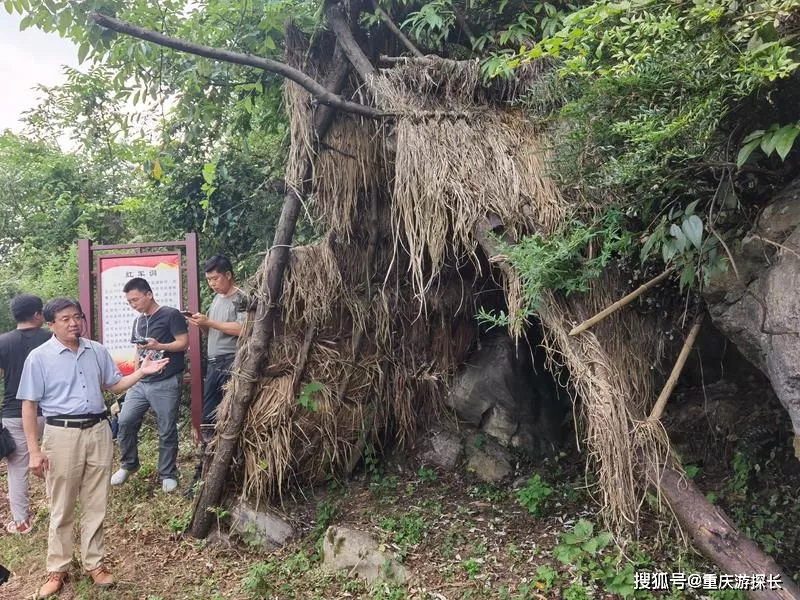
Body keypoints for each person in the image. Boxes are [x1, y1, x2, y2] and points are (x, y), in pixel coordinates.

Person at [19, 297, 169, 598]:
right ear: (51, 324)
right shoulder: (39, 357)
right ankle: (57, 568)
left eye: (77, 316)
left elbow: (114, 385)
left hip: (99, 431)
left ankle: (95, 563)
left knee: (96, 501)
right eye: (65, 319)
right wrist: (34, 451)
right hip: (61, 434)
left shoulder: (97, 350)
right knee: (61, 504)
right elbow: (29, 405)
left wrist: (142, 371)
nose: (74, 323)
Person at [110, 278, 189, 493]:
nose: (133, 304)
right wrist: (135, 376)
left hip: (166, 381)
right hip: (141, 383)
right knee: (125, 421)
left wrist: (159, 345)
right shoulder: (138, 321)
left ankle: (168, 473)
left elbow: (183, 343)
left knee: (166, 427)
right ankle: (129, 464)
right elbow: (138, 351)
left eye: (135, 299)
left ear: (149, 294)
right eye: (129, 302)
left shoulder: (171, 314)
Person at [0, 294, 51, 534]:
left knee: (17, 468)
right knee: (54, 460)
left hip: (14, 413)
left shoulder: (3, 342)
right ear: (38, 314)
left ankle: (21, 522)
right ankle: (57, 507)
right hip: (50, 411)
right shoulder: (52, 338)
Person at [187, 255, 246, 435]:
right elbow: (212, 332)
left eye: (215, 278)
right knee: (209, 415)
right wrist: (202, 324)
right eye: (208, 280)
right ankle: (209, 448)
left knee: (231, 411)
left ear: (228, 275)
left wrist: (210, 322)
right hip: (213, 363)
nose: (212, 284)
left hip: (231, 361)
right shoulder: (216, 299)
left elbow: (243, 329)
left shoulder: (241, 297)